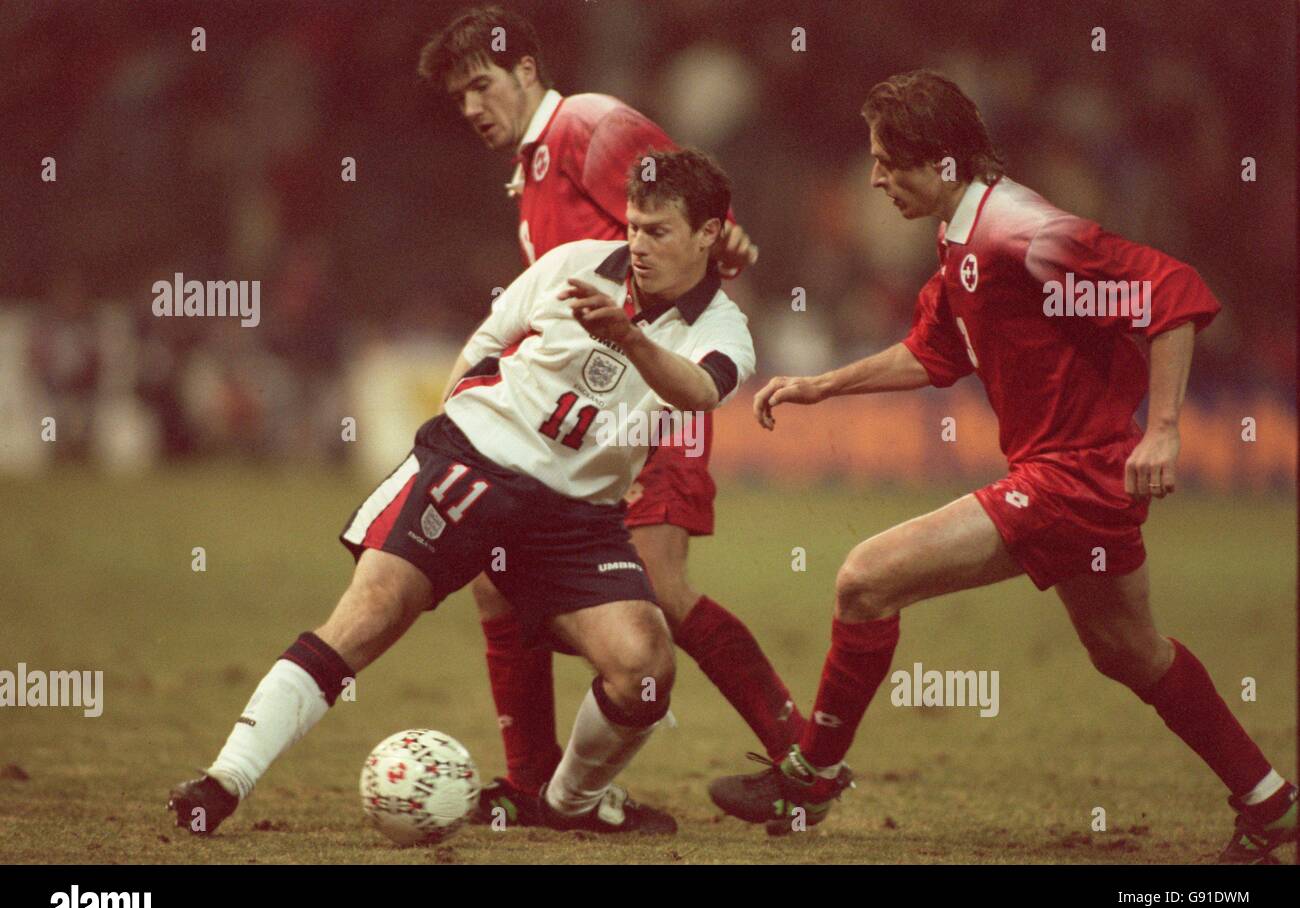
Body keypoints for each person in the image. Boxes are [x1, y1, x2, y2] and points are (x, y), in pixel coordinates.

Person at [708, 69, 1297, 862]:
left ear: (943, 160)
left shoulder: (1023, 230)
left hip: (1070, 479)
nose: (876, 177)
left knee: (863, 578)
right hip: (1086, 480)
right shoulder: (962, 234)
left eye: (889, 161)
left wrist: (1163, 430)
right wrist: (822, 384)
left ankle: (813, 774)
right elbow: (934, 351)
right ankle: (1270, 801)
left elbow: (1173, 292)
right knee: (1128, 649)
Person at [169, 147, 756, 835]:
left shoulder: (724, 330)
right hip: (472, 464)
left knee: (646, 669)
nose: (638, 244)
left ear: (709, 235)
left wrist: (626, 336)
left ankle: (565, 805)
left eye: (658, 231)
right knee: (371, 612)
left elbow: (696, 392)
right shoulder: (572, 265)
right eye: (633, 226)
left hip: (578, 517)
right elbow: (486, 342)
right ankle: (223, 780)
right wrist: (457, 432)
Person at [419, 5, 805, 825]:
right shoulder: (532, 174)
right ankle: (535, 783)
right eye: (458, 101)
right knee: (497, 582)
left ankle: (802, 757)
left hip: (647, 401)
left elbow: (672, 179)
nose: (472, 109)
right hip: (592, 414)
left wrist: (724, 237)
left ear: (526, 69)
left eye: (482, 86)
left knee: (657, 591)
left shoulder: (587, 126)